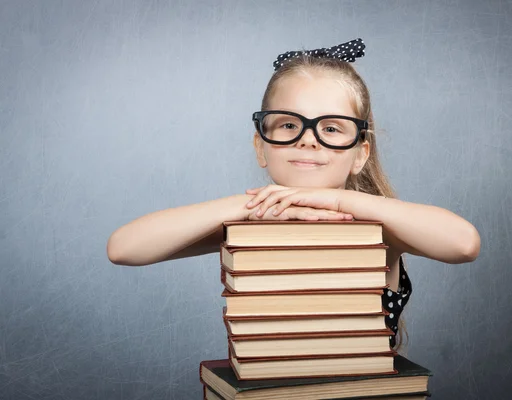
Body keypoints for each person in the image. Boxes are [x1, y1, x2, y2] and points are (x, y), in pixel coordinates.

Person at [106, 38, 481, 351]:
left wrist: (341, 201)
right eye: (288, 124)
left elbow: (463, 244)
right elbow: (124, 248)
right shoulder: (249, 223)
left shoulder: (379, 227)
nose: (307, 138)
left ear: (360, 154)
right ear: (261, 146)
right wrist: (249, 205)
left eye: (332, 128)